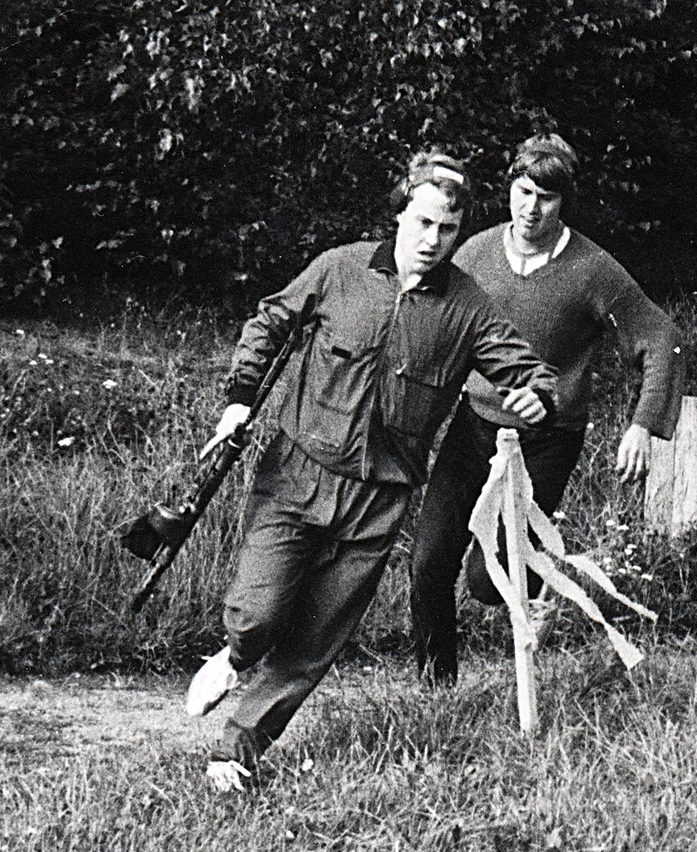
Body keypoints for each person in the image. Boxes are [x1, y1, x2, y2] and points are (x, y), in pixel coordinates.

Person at [184, 150, 561, 792]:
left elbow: (528, 368)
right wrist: (240, 399)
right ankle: (237, 653)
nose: (432, 241)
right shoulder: (339, 269)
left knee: (316, 638)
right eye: (422, 223)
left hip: (380, 499)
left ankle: (235, 751)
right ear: (399, 215)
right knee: (259, 614)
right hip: (297, 474)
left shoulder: (468, 308)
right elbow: (271, 320)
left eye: (447, 230)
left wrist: (537, 395)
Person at [409, 133, 684, 685]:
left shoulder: (591, 269)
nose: (531, 207)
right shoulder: (475, 254)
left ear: (564, 202)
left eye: (547, 197)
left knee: (490, 583)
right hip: (475, 427)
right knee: (428, 564)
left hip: (547, 439)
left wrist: (643, 425)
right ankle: (436, 690)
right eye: (523, 190)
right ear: (510, 188)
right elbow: (428, 325)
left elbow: (661, 337)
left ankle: (538, 584)